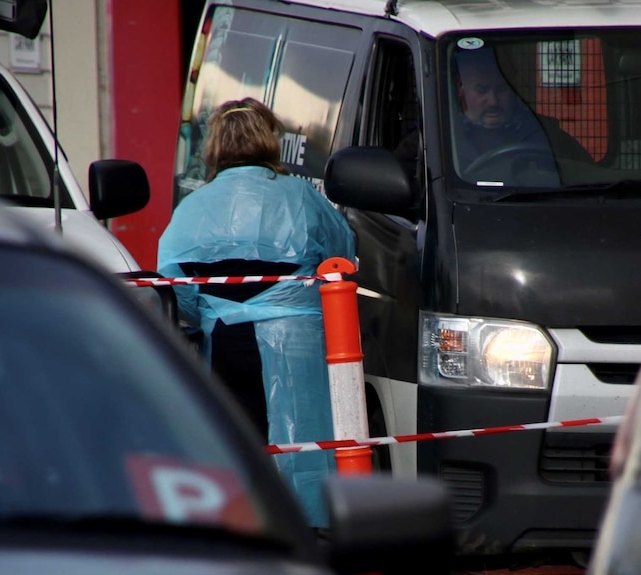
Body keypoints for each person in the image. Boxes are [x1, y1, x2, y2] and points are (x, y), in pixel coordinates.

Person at [157, 97, 356, 529]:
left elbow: (174, 287)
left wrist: (218, 310)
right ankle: (312, 531)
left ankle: (245, 535)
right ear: (270, 139)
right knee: (306, 445)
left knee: (238, 447)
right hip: (298, 342)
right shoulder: (302, 196)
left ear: (214, 146)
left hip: (226, 341)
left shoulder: (192, 207)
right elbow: (343, 259)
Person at [395, 47, 592, 186]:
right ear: (460, 88)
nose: (493, 101)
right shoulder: (429, 142)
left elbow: (590, 177)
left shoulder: (546, 136)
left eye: (501, 89)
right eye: (482, 90)